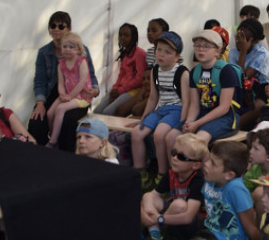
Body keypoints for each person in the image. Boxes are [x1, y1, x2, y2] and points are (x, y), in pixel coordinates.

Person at [145, 140, 258, 240]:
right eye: (208, 159)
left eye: (213, 163)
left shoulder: (236, 189)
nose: (206, 164)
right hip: (204, 238)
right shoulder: (210, 182)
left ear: (229, 175)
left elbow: (251, 228)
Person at [28, 11, 99, 149]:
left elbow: (89, 75)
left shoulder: (82, 51)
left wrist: (95, 90)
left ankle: (65, 154)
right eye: (52, 26)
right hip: (54, 94)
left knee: (69, 120)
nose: (56, 29)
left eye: (61, 26)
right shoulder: (44, 52)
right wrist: (40, 103)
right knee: (36, 121)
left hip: (78, 94)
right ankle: (41, 153)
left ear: (69, 29)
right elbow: (40, 80)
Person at [128, 31, 189, 174]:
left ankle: (163, 174)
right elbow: (153, 98)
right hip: (160, 110)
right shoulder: (155, 71)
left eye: (167, 52)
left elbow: (186, 101)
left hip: (176, 110)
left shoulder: (182, 73)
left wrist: (181, 124)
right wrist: (143, 119)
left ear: (177, 57)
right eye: (159, 50)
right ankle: (140, 174)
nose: (161, 54)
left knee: (159, 134)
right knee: (137, 132)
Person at [140, 133, 207, 240]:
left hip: (193, 225)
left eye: (182, 157)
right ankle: (155, 236)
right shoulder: (172, 172)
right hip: (172, 218)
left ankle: (152, 229)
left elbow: (188, 217)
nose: (174, 158)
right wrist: (143, 213)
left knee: (179, 205)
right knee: (148, 196)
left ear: (196, 165)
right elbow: (154, 195)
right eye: (173, 153)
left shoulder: (198, 179)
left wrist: (158, 218)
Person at [180, 30, 243, 144]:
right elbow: (194, 105)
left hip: (226, 117)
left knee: (198, 140)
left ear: (217, 51)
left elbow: (224, 107)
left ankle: (205, 162)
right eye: (198, 45)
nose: (201, 49)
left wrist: (197, 124)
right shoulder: (195, 71)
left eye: (206, 46)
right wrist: (189, 122)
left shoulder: (226, 71)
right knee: (172, 136)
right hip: (203, 113)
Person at [45, 32, 94, 149]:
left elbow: (82, 82)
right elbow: (61, 83)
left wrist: (70, 96)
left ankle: (52, 142)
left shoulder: (81, 62)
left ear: (78, 49)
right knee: (50, 113)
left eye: (71, 47)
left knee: (61, 109)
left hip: (81, 96)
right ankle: (54, 136)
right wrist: (62, 94)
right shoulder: (61, 65)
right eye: (65, 46)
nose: (67, 49)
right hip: (68, 95)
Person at [229, 18, 269, 129]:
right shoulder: (233, 51)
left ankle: (235, 127)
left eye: (244, 39)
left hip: (263, 86)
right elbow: (234, 76)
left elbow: (243, 76)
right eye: (238, 37)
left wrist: (243, 51)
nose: (239, 41)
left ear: (254, 41)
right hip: (242, 87)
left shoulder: (261, 54)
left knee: (258, 107)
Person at [95, 23, 146, 115]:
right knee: (97, 111)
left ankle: (109, 129)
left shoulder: (140, 54)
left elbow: (139, 79)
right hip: (121, 90)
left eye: (126, 35)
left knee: (108, 112)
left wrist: (119, 91)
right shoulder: (125, 54)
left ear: (134, 37)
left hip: (133, 91)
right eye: (120, 35)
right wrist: (115, 90)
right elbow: (121, 76)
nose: (122, 38)